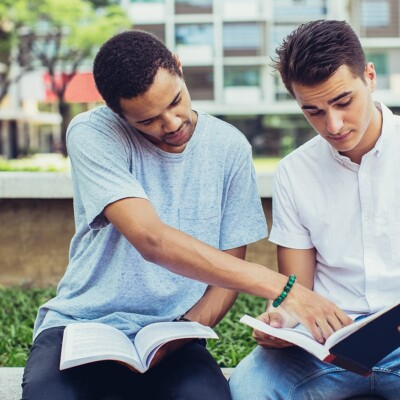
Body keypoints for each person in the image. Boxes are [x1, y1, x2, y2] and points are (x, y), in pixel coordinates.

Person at [21, 29, 351, 400]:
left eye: (175, 101)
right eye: (148, 120)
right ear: (117, 112)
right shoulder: (92, 133)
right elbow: (151, 239)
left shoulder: (229, 147)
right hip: (80, 327)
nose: (173, 123)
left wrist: (186, 330)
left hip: (172, 333)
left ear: (178, 66)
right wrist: (283, 288)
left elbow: (228, 265)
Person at [229, 19, 400, 400]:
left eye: (343, 102)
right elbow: (297, 289)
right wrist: (280, 319)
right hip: (327, 343)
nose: (333, 125)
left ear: (369, 77)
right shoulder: (295, 171)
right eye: (314, 111)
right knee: (250, 386)